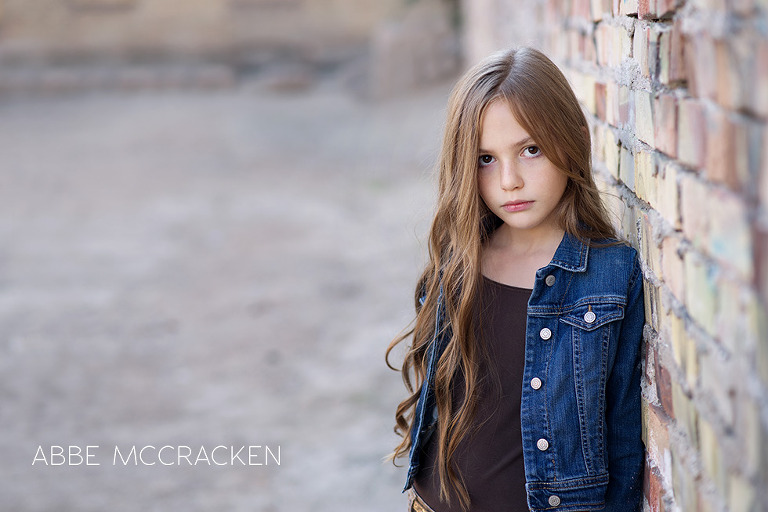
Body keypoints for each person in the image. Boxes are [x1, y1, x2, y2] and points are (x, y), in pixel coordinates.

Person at [385, 47, 645, 512]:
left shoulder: (610, 276)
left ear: (574, 141)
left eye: (530, 150)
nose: (509, 181)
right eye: (486, 158)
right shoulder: (460, 261)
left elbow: (624, 441)